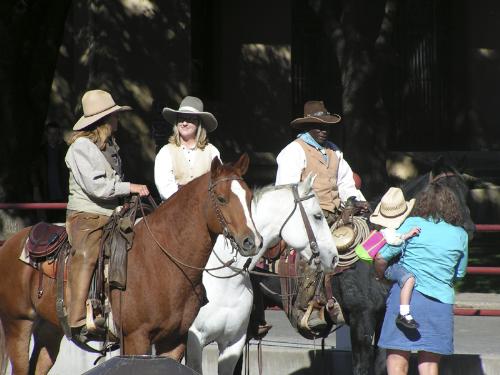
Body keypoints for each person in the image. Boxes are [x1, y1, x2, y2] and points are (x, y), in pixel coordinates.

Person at [274, 100, 369, 334]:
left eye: (326, 125)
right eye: (318, 125)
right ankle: (308, 306)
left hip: (337, 213)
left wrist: (355, 201)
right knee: (315, 252)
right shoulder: (294, 151)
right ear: (307, 126)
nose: (324, 129)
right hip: (306, 217)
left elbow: (346, 184)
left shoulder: (335, 151)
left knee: (368, 237)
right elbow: (286, 190)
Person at [65, 89, 150, 337]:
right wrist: (129, 187)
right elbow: (97, 187)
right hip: (87, 216)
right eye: (114, 115)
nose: (118, 120)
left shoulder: (109, 145)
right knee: (88, 253)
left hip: (112, 213)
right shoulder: (81, 147)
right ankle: (78, 317)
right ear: (103, 121)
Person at [374, 183, 468, 375]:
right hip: (440, 305)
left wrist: (381, 275)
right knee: (429, 367)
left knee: (397, 363)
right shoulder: (461, 235)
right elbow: (459, 274)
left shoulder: (412, 224)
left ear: (422, 203)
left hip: (405, 301)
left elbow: (381, 257)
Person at [356, 187, 421, 329]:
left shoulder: (382, 229)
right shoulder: (392, 233)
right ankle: (404, 313)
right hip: (388, 266)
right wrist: (408, 235)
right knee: (409, 279)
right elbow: (384, 254)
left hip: (379, 264)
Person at [154, 96, 220, 201]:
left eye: (190, 119)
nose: (184, 123)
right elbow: (165, 189)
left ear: (199, 123)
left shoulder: (212, 152)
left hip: (205, 209)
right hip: (174, 210)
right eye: (181, 119)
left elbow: (219, 184)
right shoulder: (165, 152)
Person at [31, 121, 69, 223]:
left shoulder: (64, 150)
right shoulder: (41, 151)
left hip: (63, 193)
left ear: (58, 135)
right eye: (50, 133)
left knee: (63, 223)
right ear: (46, 134)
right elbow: (34, 171)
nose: (52, 137)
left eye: (55, 134)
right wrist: (36, 189)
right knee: (49, 223)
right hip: (47, 193)